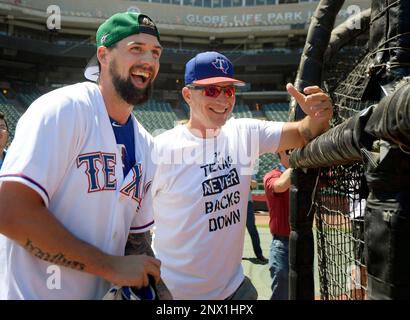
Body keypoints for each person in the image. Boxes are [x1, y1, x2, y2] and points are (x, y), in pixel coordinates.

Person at [0, 12, 168, 300]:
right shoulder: (64, 109)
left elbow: (134, 240)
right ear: (103, 55)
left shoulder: (147, 145)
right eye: (136, 49)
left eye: (155, 52)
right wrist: (111, 266)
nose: (149, 61)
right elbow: (9, 211)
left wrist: (160, 292)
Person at [143, 51, 333, 299]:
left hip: (234, 291)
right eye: (211, 90)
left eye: (229, 91)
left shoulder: (244, 132)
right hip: (175, 294)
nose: (223, 99)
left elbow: (303, 132)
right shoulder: (160, 150)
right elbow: (131, 225)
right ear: (188, 95)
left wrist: (318, 117)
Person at [263, 150, 291, 300]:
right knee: (281, 290)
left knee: (302, 288)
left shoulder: (306, 173)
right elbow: (281, 185)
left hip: (302, 242)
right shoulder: (272, 175)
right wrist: (300, 162)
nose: (293, 154)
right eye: (290, 151)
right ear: (281, 153)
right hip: (281, 243)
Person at [246, 175, 267, 263]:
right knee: (233, 232)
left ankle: (259, 254)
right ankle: (233, 257)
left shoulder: (246, 169)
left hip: (247, 203)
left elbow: (254, 184)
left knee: (252, 229)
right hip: (234, 204)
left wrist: (245, 178)